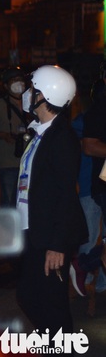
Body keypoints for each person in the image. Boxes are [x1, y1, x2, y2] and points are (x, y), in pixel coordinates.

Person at [15, 65, 87, 357]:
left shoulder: (62, 139)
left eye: (33, 89)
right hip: (31, 234)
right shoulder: (39, 133)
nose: (28, 94)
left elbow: (64, 196)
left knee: (54, 310)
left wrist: (57, 245)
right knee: (29, 297)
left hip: (49, 239)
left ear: (46, 96)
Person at [70, 80, 106, 297]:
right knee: (91, 237)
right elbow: (89, 148)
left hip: (94, 186)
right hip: (94, 187)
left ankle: (98, 281)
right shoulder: (91, 116)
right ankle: (83, 266)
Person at [0, 67, 29, 207]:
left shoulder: (32, 103)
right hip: (8, 162)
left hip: (28, 163)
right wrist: (4, 135)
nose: (18, 83)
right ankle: (8, 227)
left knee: (27, 202)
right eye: (14, 80)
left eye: (20, 80)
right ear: (5, 86)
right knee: (9, 200)